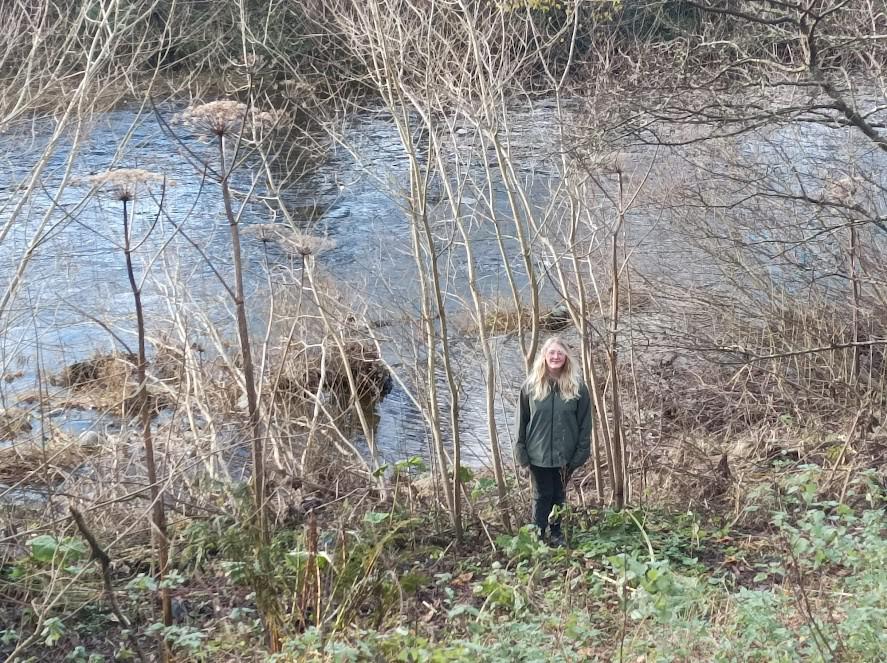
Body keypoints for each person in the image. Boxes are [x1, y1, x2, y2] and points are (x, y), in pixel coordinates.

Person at [515, 336, 592, 546]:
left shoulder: (578, 388)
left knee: (559, 495)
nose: (556, 357)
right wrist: (521, 455)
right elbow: (521, 423)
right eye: (552, 353)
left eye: (560, 353)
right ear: (544, 356)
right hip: (537, 453)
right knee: (542, 494)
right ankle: (538, 534)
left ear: (566, 356)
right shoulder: (530, 387)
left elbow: (585, 425)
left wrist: (579, 455)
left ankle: (556, 534)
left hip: (565, 455)